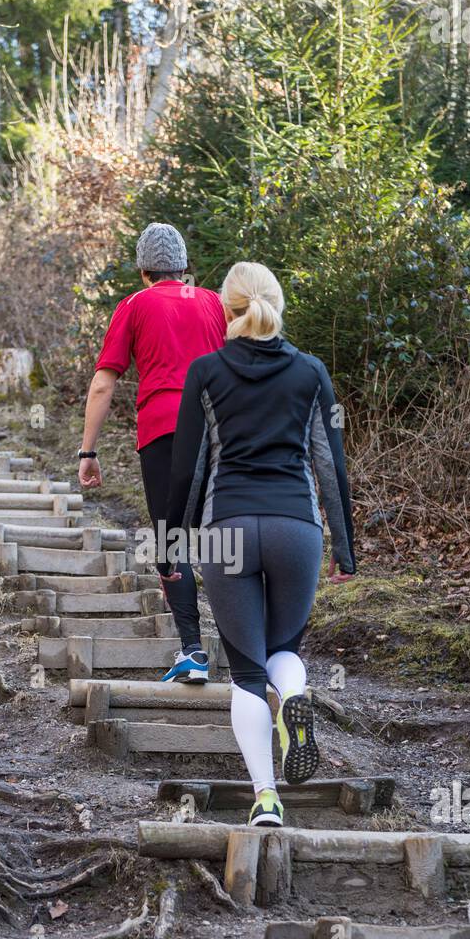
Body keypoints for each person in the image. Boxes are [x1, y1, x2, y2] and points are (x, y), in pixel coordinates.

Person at [163, 261, 355, 827]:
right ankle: (294, 695)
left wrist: (171, 544)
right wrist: (344, 550)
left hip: (229, 531)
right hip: (297, 528)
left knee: (246, 671)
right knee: (284, 652)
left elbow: (186, 470)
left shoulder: (204, 372)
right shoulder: (313, 372)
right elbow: (329, 463)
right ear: (277, 304)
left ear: (227, 309)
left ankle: (265, 799)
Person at [78, 222, 226, 683]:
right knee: (224, 535)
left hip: (164, 430)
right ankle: (248, 653)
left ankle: (192, 652)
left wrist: (88, 451)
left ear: (144, 271)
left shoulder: (135, 305)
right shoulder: (215, 303)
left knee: (171, 536)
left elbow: (104, 382)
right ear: (184, 268)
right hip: (220, 431)